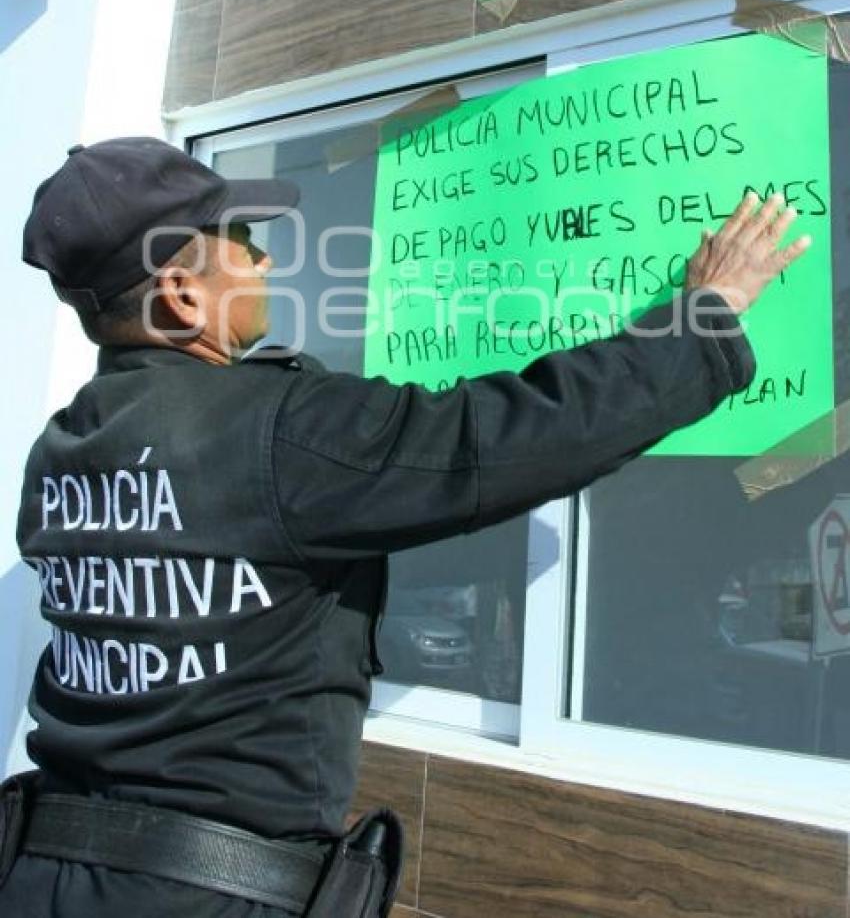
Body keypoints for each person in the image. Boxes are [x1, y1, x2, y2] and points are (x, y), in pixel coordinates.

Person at [1, 136, 809, 918]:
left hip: (39, 874)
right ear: (182, 294)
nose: (264, 260)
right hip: (201, 896)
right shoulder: (276, 433)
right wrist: (704, 320)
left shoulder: (59, 453)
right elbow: (507, 437)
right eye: (241, 240)